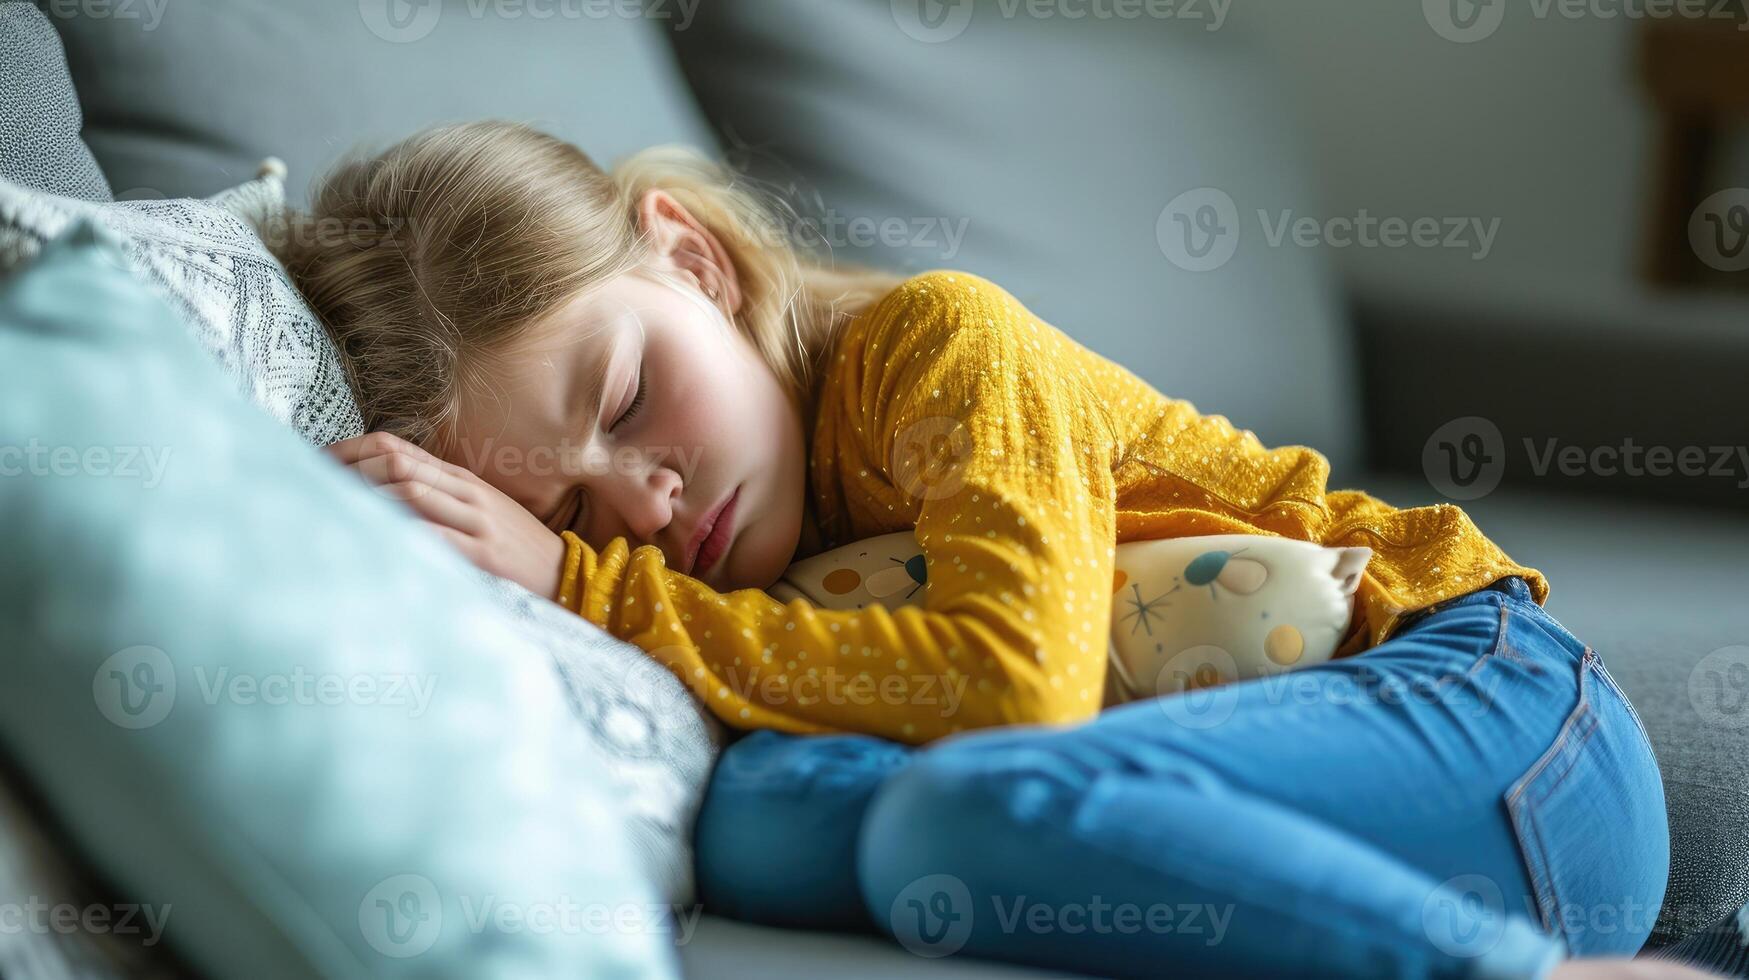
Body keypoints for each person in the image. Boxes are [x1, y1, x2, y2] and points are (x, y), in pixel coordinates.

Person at [284, 121, 1690, 979]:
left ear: (694, 262)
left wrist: (580, 585)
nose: (646, 509)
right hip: (1262, 793)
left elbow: (1012, 688)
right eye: (572, 513)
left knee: (950, 816)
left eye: (627, 402)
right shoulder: (755, 574)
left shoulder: (933, 347)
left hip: (1482, 712)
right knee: (759, 817)